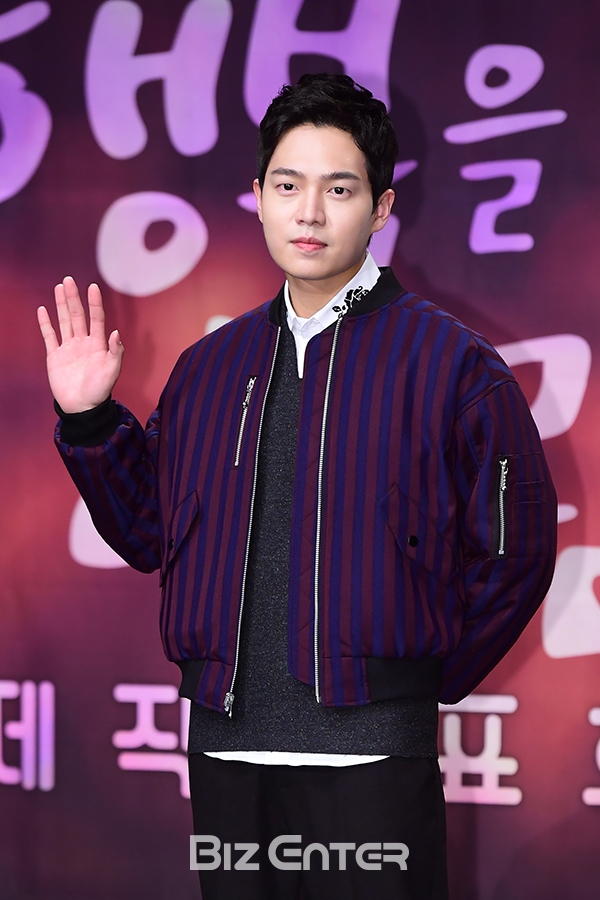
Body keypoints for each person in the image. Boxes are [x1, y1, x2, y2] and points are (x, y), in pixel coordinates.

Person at [37, 74, 557, 900]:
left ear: (381, 208)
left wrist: (411, 681)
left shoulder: (453, 364)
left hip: (373, 765)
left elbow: (517, 552)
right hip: (227, 756)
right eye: (287, 186)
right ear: (258, 196)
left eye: (338, 189)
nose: (309, 212)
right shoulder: (210, 367)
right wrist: (91, 419)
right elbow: (147, 530)